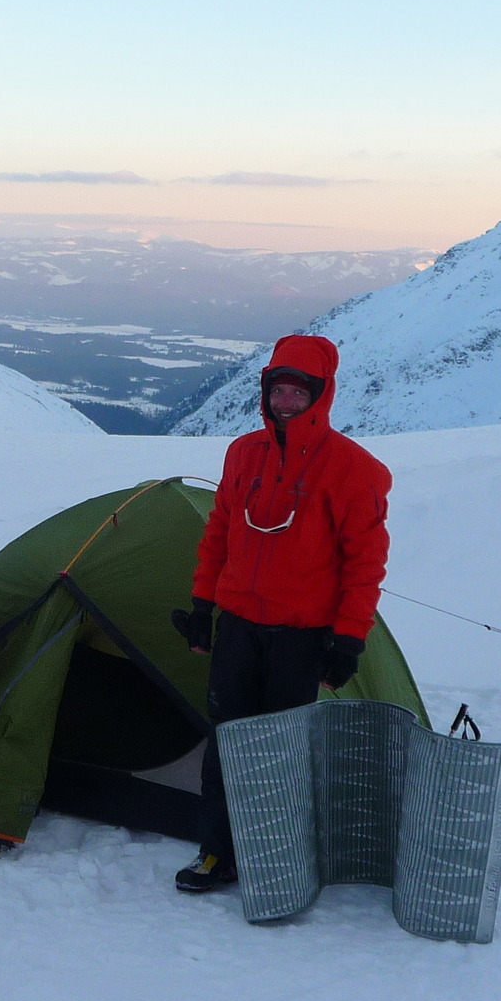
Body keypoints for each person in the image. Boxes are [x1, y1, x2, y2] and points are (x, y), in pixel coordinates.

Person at [171, 334, 391, 892]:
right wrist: (204, 604)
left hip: (302, 633)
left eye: (299, 392)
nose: (286, 400)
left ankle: (278, 850)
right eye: (279, 389)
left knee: (285, 747)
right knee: (228, 740)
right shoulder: (244, 453)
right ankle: (216, 852)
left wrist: (348, 638)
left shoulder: (354, 469)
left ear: (321, 396)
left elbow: (364, 562)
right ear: (266, 392)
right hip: (240, 625)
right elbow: (218, 530)